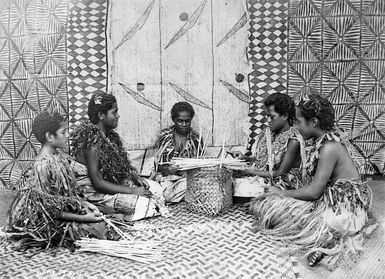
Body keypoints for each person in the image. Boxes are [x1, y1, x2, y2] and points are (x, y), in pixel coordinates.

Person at [249, 94, 373, 268]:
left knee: (320, 222)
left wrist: (282, 193)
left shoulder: (330, 147)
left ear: (313, 122)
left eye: (299, 122)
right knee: (272, 206)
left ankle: (326, 242)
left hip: (345, 204)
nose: (297, 127)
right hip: (328, 198)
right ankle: (324, 238)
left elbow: (314, 192)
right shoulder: (320, 142)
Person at [7, 111, 104, 249]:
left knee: (102, 219)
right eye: (63, 132)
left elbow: (64, 197)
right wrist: (83, 218)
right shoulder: (43, 166)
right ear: (50, 136)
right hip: (52, 220)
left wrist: (83, 203)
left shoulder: (57, 156)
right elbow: (49, 210)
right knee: (96, 230)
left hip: (64, 211)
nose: (67, 135)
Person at [71, 93, 169, 221]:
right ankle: (104, 212)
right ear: (101, 115)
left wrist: (135, 176)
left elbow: (121, 165)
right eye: (114, 112)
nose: (118, 115)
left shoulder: (110, 137)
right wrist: (132, 191)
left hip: (111, 184)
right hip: (95, 195)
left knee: (155, 189)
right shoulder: (92, 142)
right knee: (146, 205)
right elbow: (98, 184)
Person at [230, 93, 303, 198]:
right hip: (262, 178)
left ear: (285, 116)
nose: (268, 121)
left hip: (282, 185)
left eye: (272, 117)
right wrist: (244, 158)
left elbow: (280, 173)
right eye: (267, 116)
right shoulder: (267, 134)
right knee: (233, 184)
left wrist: (249, 172)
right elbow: (262, 162)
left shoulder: (293, 140)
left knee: (242, 189)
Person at [151, 102, 204, 203]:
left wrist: (178, 168)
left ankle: (170, 196)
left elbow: (198, 166)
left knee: (193, 185)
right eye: (180, 121)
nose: (184, 125)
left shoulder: (196, 139)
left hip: (185, 179)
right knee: (160, 187)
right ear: (174, 119)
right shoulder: (164, 136)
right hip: (165, 178)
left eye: (187, 121)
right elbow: (157, 163)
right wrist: (167, 169)